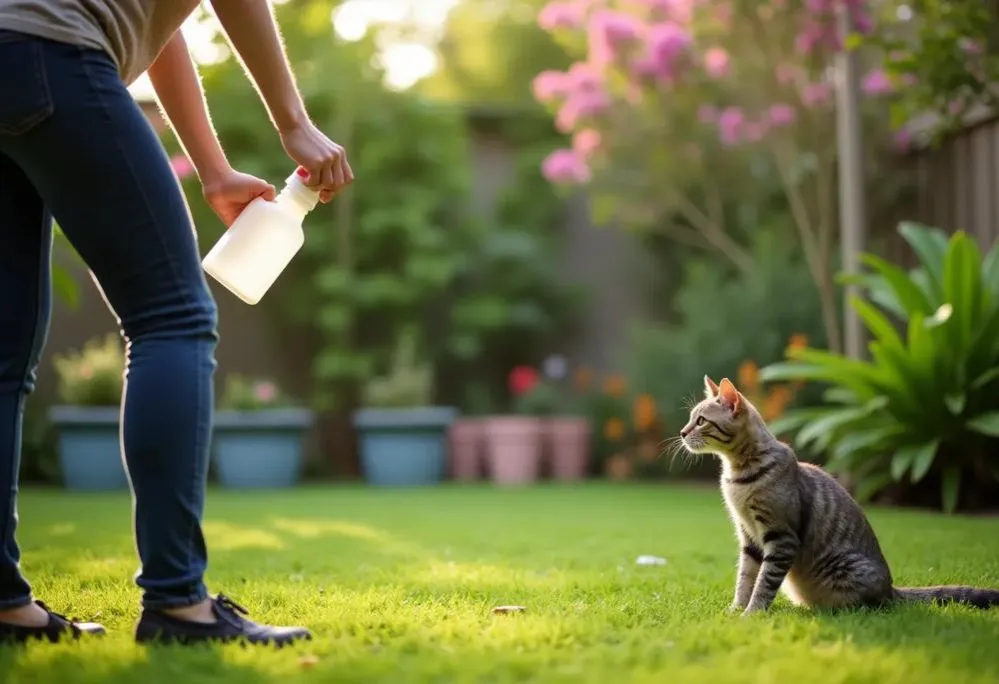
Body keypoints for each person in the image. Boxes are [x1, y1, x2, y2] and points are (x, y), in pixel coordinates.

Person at [0, 0, 352, 645]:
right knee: (172, 318)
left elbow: (160, 24)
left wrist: (213, 170)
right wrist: (294, 122)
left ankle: (3, 607)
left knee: (2, 356)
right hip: (55, 47)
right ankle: (178, 603)